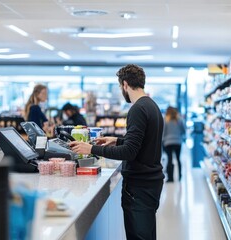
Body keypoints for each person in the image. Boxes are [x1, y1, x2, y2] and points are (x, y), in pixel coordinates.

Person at [70, 64, 164, 240]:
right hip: (150, 183)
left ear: (125, 84)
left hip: (139, 186)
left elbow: (129, 153)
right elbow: (144, 144)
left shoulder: (137, 109)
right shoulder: (152, 106)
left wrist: (91, 148)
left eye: (121, 86)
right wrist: (117, 140)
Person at [162, 106, 186, 182]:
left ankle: (170, 178)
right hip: (178, 142)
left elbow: (163, 132)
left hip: (167, 142)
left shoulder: (165, 119)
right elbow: (183, 130)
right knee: (178, 159)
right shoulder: (179, 119)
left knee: (170, 159)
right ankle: (180, 176)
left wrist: (162, 140)